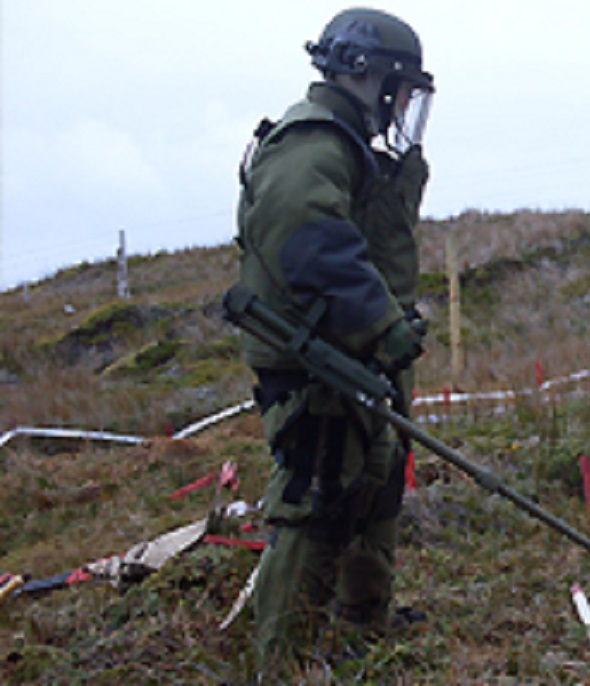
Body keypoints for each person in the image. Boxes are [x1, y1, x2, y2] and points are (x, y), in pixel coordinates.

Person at [234, 7, 434, 667]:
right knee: (315, 500)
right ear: (368, 76)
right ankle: (282, 665)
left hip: (354, 352)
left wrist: (384, 333)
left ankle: (361, 632)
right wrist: (380, 324)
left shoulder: (347, 147)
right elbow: (309, 240)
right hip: (318, 359)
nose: (403, 107)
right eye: (401, 90)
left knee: (372, 486)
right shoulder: (313, 143)